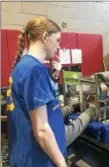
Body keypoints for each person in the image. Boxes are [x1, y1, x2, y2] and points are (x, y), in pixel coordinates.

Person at [6, 16, 96, 167]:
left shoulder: (23, 66)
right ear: (45, 36)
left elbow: (44, 112)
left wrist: (74, 107)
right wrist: (62, 163)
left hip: (26, 154)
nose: (59, 46)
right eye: (58, 40)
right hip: (38, 158)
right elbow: (42, 130)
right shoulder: (35, 70)